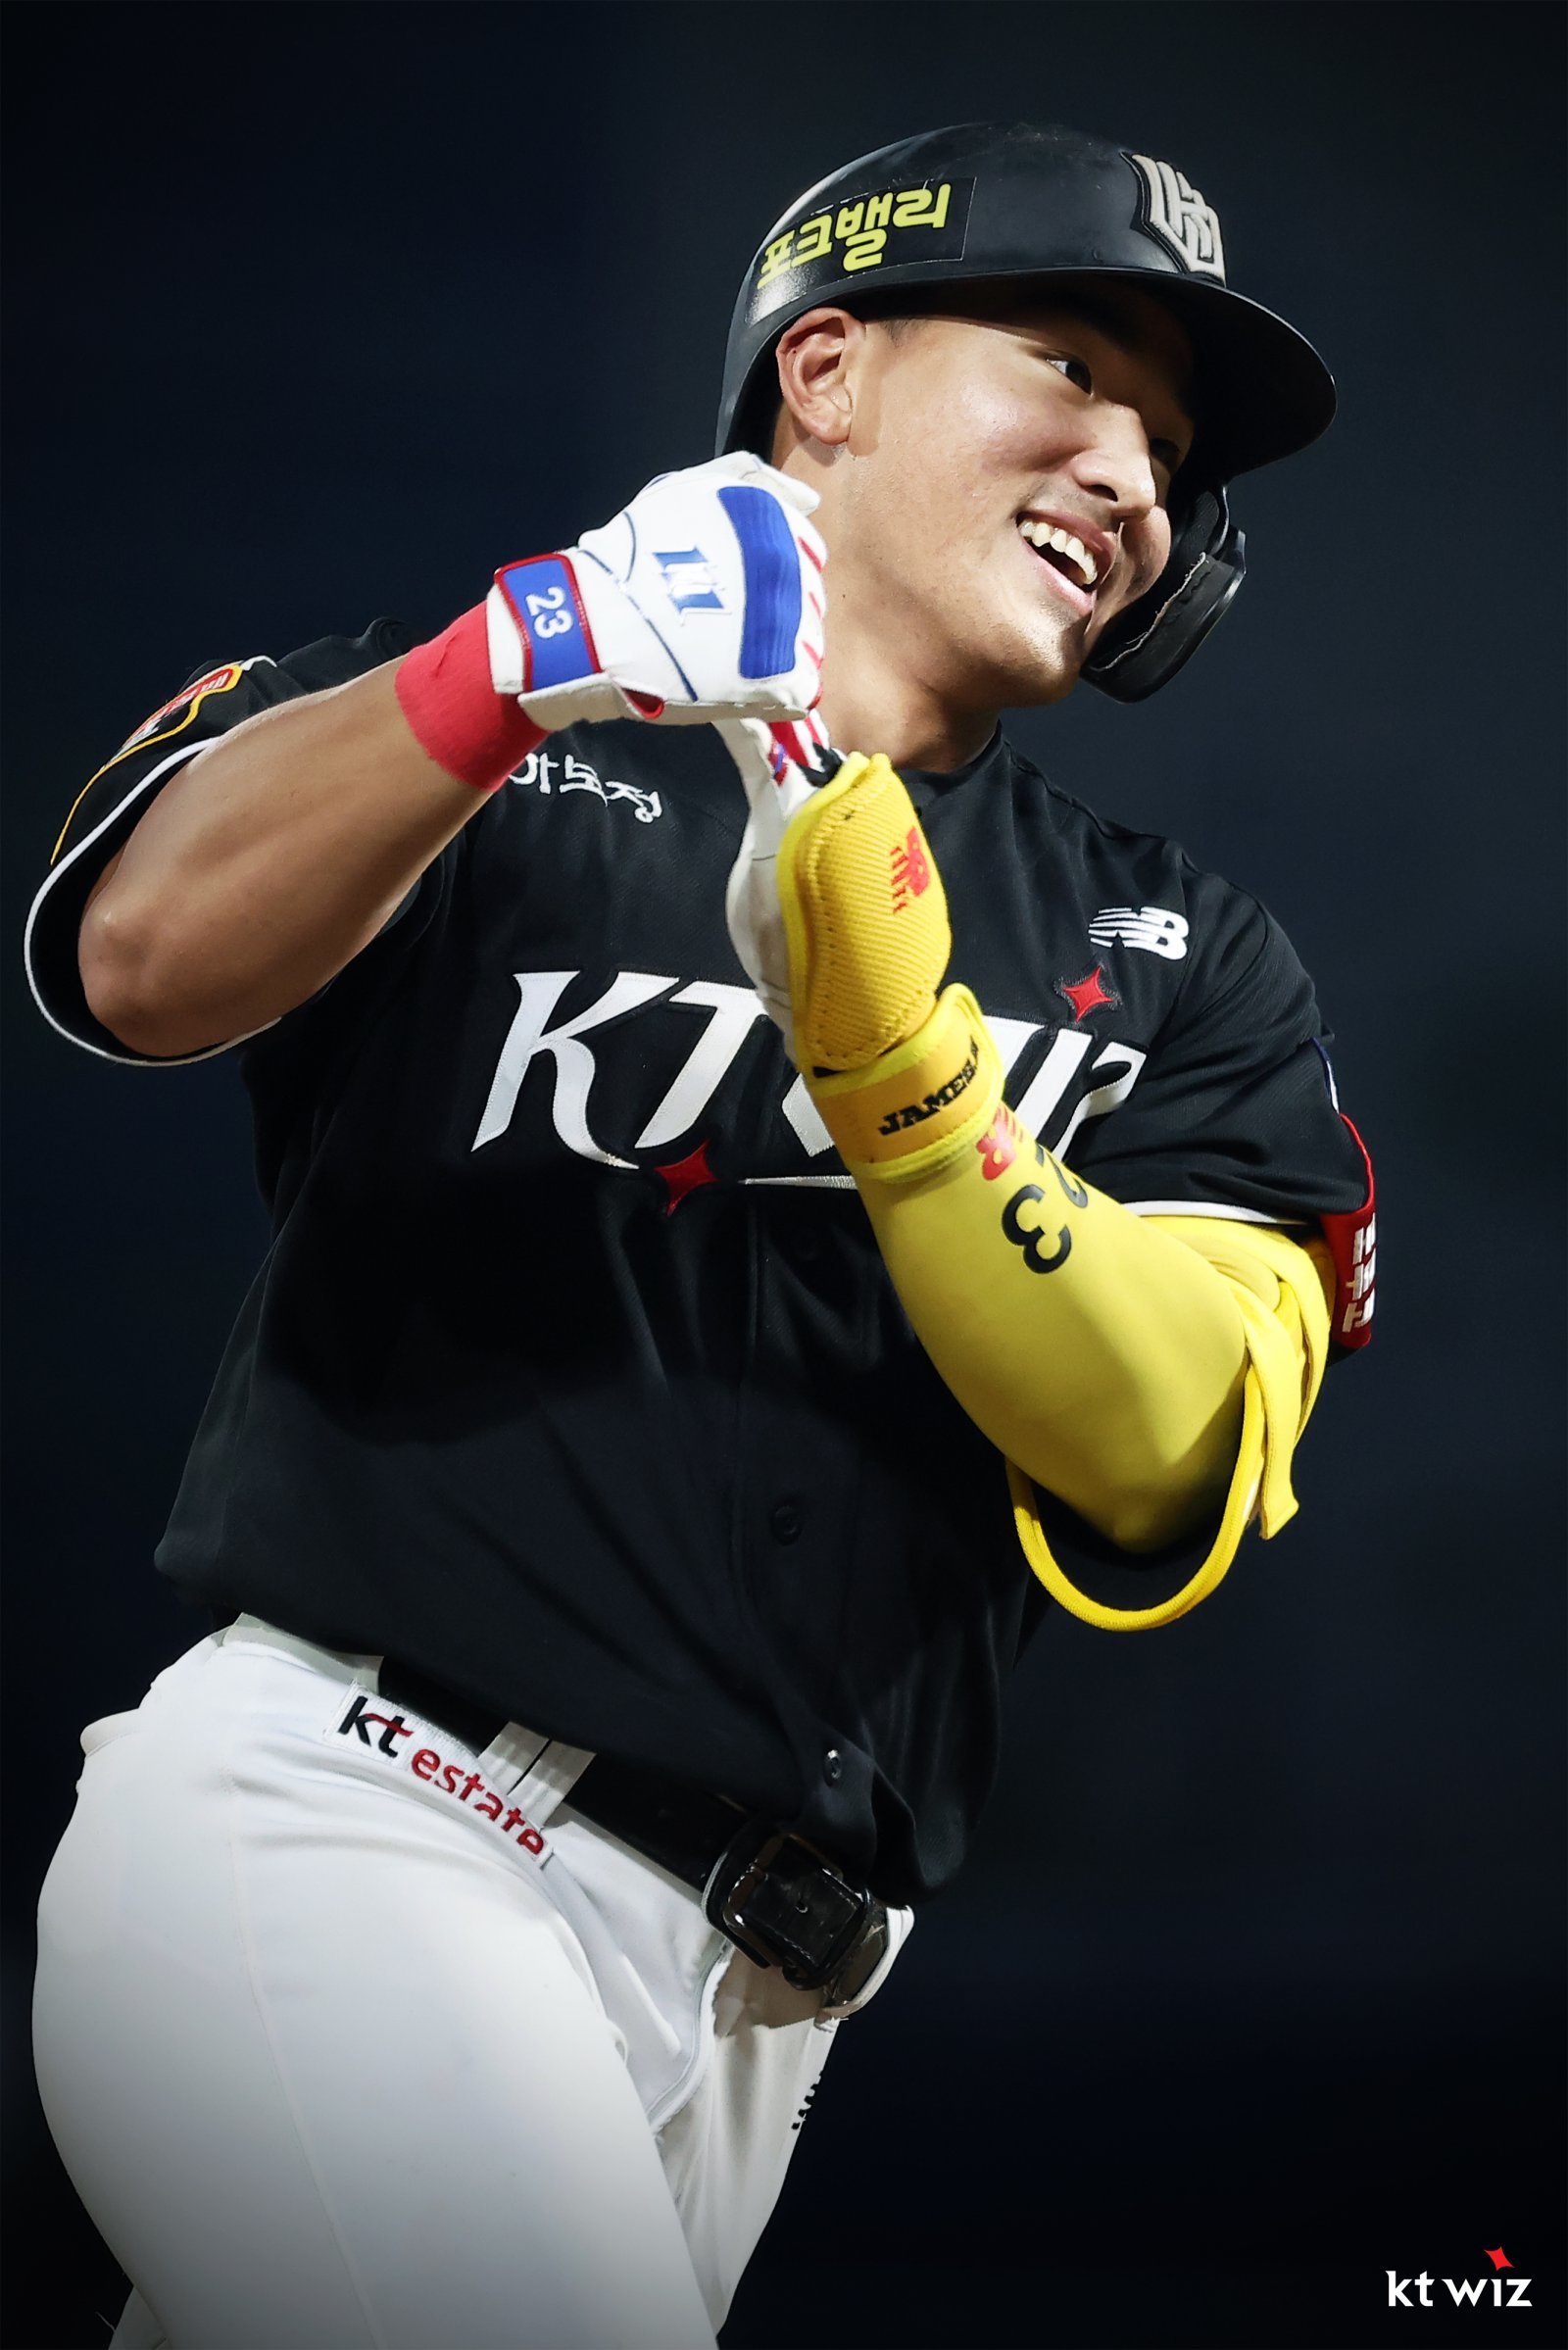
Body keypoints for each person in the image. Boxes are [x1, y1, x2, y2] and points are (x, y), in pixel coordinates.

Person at [27, 121, 1375, 2350]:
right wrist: (505, 665)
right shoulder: (499, 745)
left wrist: (908, 1077)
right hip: (356, 1824)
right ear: (823, 374)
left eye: (1167, 445)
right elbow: (135, 962)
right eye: (1068, 366)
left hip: (757, 2012)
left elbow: (1168, 1446)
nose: (1130, 474)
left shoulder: (1184, 955)